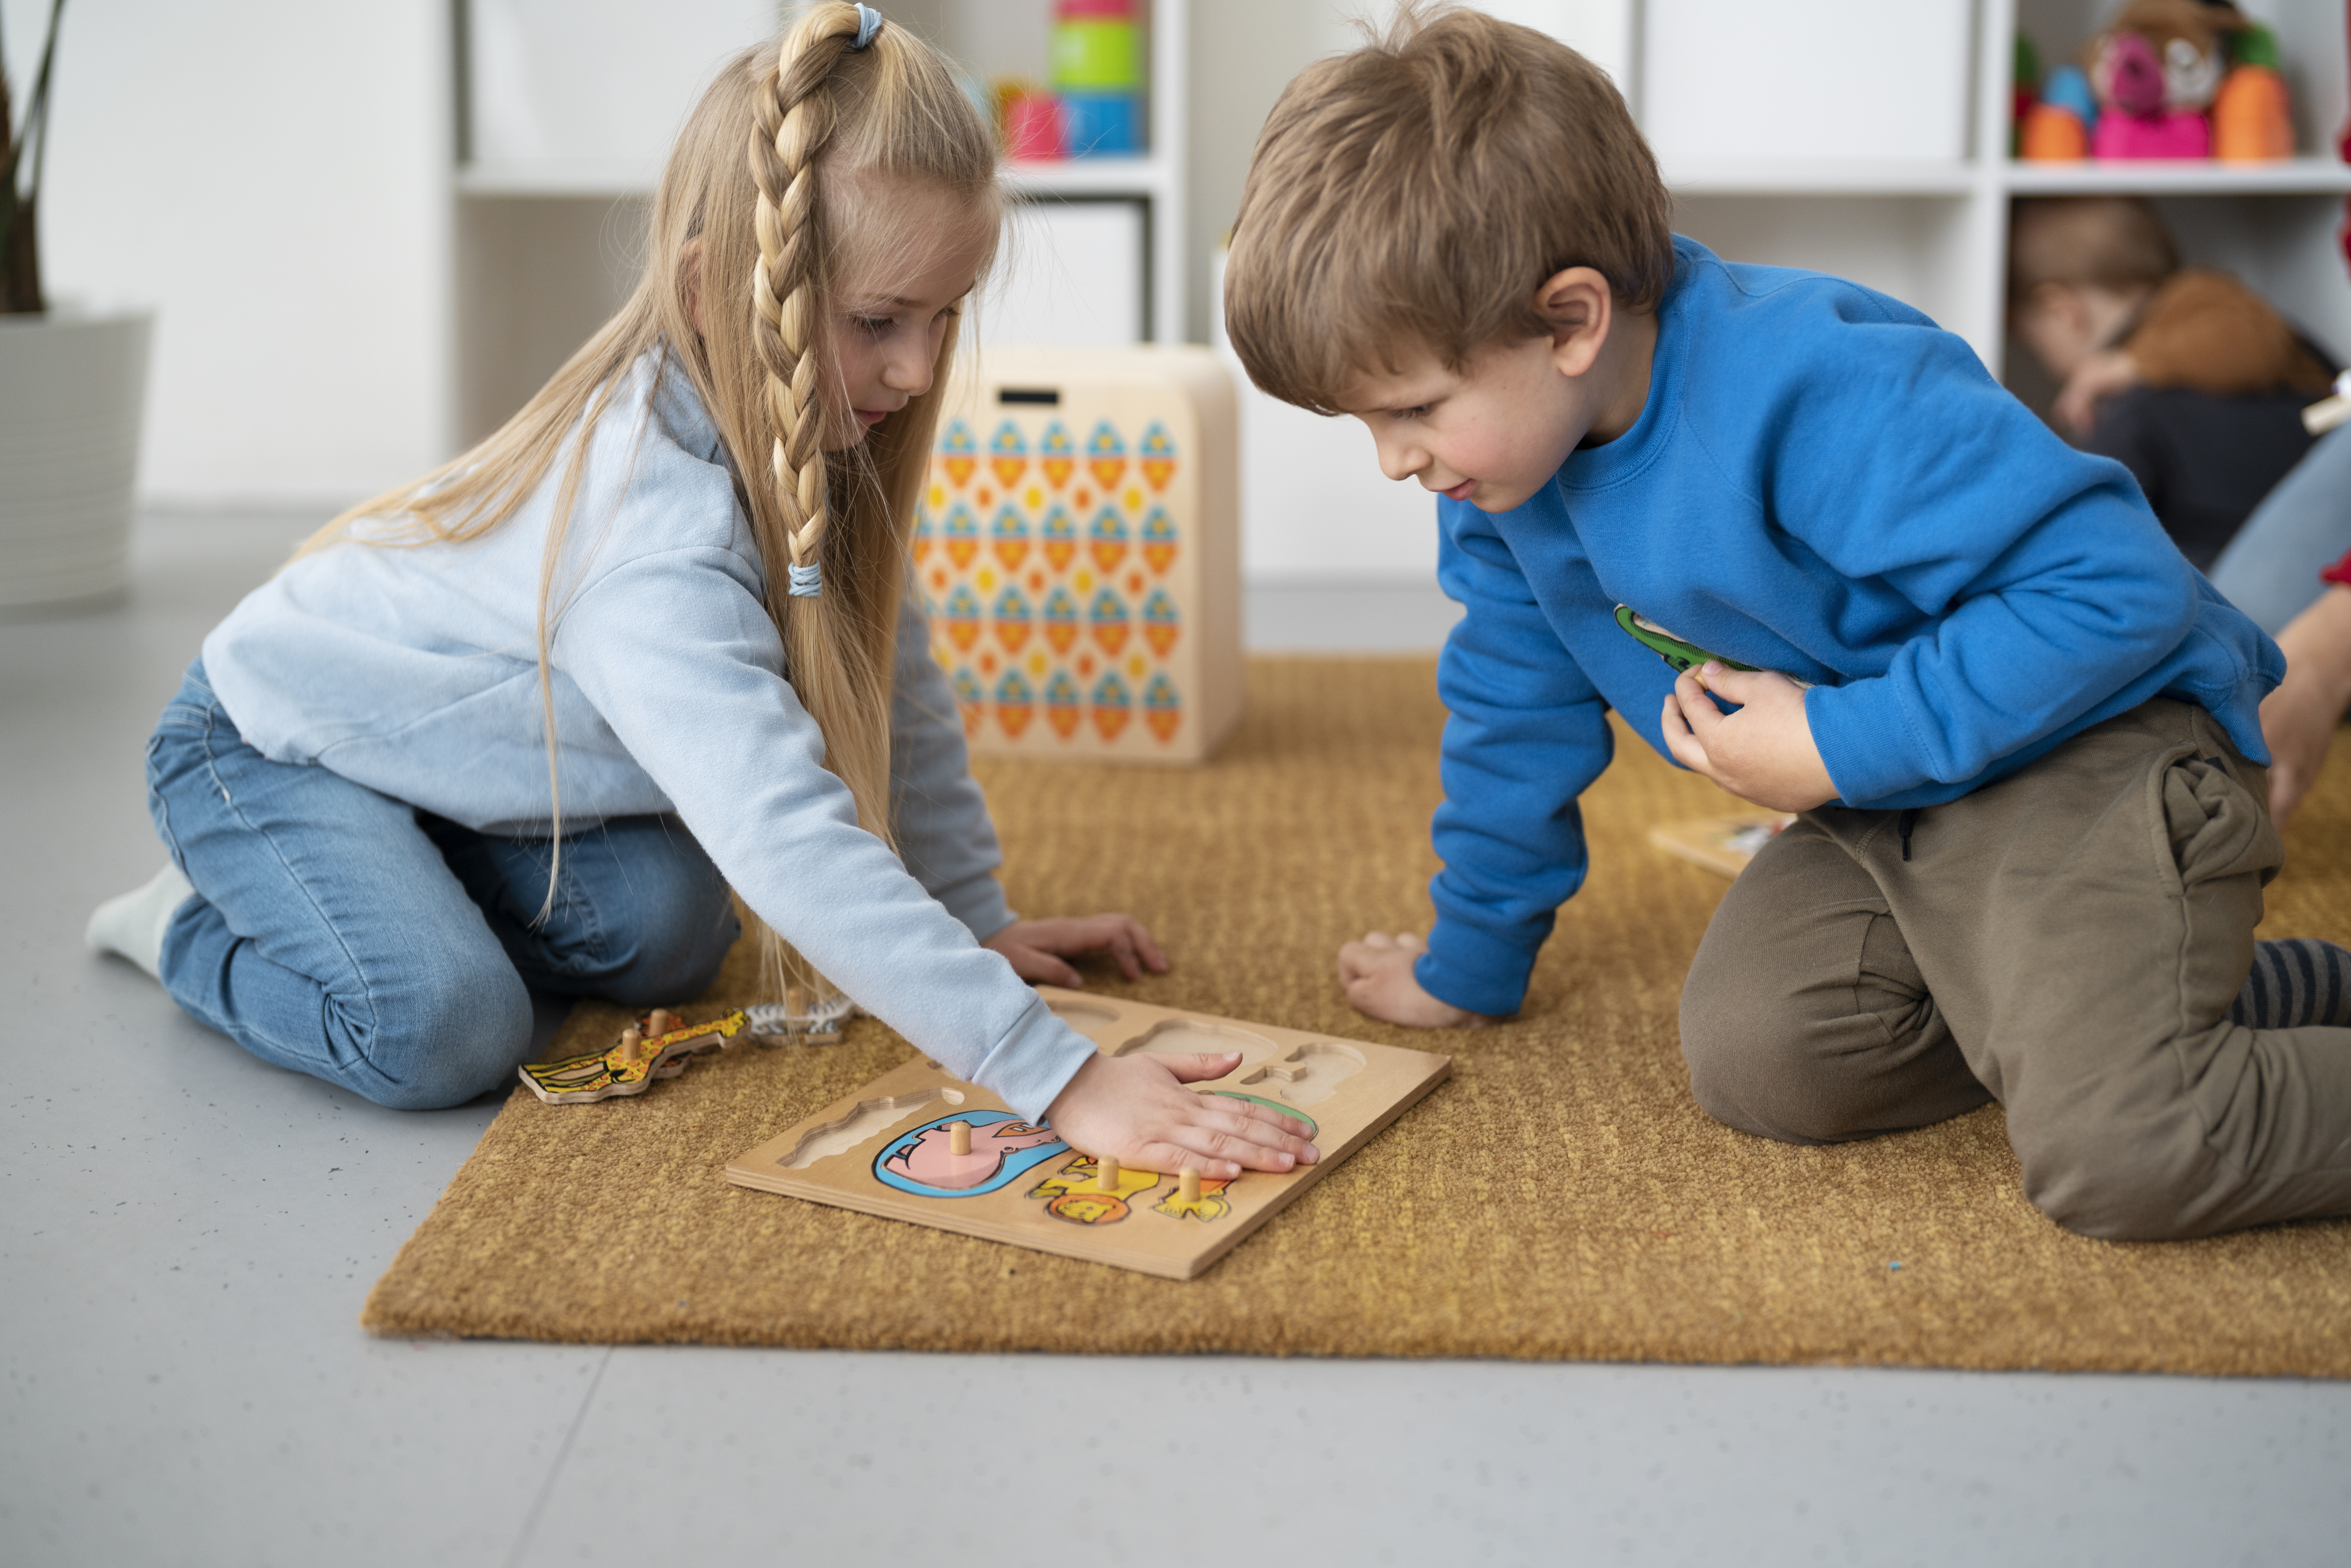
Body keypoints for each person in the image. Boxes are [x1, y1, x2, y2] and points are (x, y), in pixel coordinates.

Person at [83, 4, 1316, 1183]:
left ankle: (403, 884)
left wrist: (973, 916)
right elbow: (784, 836)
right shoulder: (651, 546)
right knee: (447, 1030)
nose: (919, 366)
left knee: (672, 931)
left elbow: (893, 670)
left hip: (461, 766)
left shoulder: (810, 436)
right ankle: (184, 924)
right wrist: (1056, 1078)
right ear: (711, 293)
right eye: (882, 318)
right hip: (269, 747)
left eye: (946, 318)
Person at [1221, 4, 2351, 1241]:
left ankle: (2120, 1034)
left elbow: (2113, 592)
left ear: (1569, 323)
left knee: (2128, 1154)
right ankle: (2164, 1003)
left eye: (1414, 410)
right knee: (1768, 1059)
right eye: (1367, 426)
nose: (1395, 462)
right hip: (1894, 793)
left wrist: (1831, 748)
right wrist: (1467, 960)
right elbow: (1512, 703)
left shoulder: (1819, 388)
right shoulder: (1498, 477)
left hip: (2095, 741)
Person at [2008, 195, 2334, 570]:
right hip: (2243, 517)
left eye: (2033, 347)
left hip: (2305, 466)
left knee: (2129, 422)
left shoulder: (2196, 296)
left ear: (2062, 313)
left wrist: (2126, 366)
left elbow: (2252, 344)